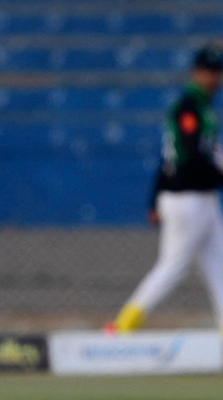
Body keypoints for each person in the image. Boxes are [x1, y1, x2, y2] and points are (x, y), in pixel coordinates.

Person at [108, 44, 223, 334]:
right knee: (172, 267)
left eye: (217, 72)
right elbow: (187, 158)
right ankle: (123, 325)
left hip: (204, 198)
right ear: (196, 73)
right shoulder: (188, 107)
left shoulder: (203, 108)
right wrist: (155, 198)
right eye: (208, 72)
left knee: (219, 268)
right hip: (186, 198)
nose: (213, 78)